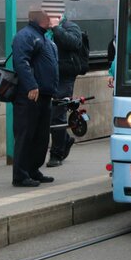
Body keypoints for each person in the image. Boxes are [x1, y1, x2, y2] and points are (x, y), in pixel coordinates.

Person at [11, 4, 60, 187]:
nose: (52, 17)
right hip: (30, 95)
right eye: (49, 15)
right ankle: (20, 175)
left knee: (40, 136)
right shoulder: (26, 36)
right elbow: (21, 62)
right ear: (39, 18)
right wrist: (31, 85)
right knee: (26, 134)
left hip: (44, 94)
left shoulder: (42, 36)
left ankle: (33, 169)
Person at [47, 10, 88, 168]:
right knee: (51, 114)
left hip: (65, 75)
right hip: (48, 76)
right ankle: (64, 140)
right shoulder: (45, 31)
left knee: (57, 113)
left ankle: (56, 154)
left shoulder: (70, 26)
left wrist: (57, 28)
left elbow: (73, 43)